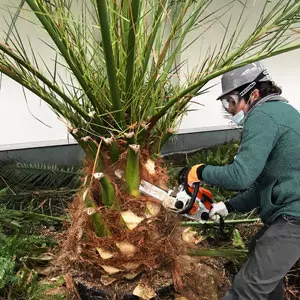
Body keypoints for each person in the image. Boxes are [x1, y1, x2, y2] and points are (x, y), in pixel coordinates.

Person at [185, 62, 300, 300]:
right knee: (262, 260)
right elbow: (266, 184)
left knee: (246, 290)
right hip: (291, 211)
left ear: (254, 93)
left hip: (294, 218)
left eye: (231, 101)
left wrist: (200, 170)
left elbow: (240, 176)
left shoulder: (262, 115)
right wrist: (229, 206)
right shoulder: (282, 113)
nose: (229, 109)